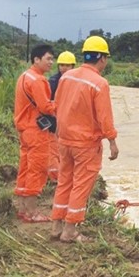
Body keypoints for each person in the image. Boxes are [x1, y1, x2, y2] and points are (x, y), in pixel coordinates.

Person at [50, 36, 119, 243]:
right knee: (81, 184)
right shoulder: (100, 83)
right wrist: (112, 141)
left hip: (64, 139)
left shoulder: (67, 77)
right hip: (86, 144)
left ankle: (56, 226)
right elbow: (104, 117)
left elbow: (57, 105)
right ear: (102, 58)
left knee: (64, 181)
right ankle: (70, 230)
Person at [13, 44, 56, 223]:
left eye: (52, 59)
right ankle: (32, 212)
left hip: (25, 129)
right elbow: (45, 107)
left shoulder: (24, 76)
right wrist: (60, 105)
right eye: (48, 59)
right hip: (36, 131)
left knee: (25, 168)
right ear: (36, 59)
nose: (51, 62)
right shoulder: (38, 80)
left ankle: (23, 209)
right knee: (37, 170)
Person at [47, 51, 76, 182]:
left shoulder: (77, 81)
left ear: (73, 66)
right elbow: (47, 102)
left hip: (71, 121)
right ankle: (56, 176)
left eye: (67, 65)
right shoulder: (53, 81)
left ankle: (67, 174)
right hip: (55, 120)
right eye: (61, 65)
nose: (64, 68)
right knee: (55, 148)